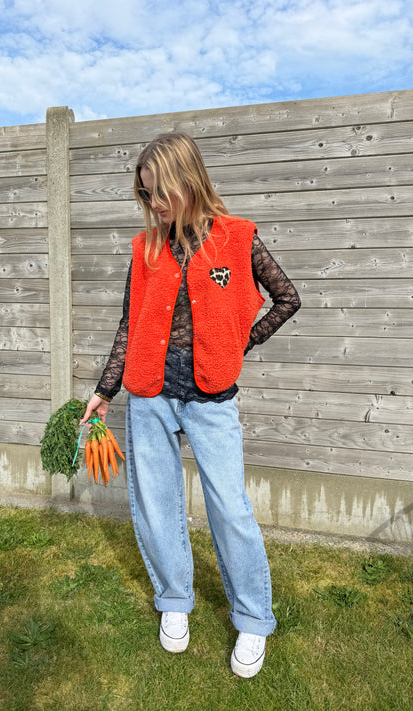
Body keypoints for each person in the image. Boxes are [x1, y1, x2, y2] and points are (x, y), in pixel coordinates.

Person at [81, 131, 301, 678]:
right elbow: (129, 325)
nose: (153, 203)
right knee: (157, 504)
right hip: (149, 394)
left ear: (189, 181)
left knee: (230, 507)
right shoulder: (146, 247)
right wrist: (104, 391)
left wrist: (239, 343)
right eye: (145, 193)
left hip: (211, 397)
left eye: (160, 191)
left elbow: (287, 298)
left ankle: (254, 617)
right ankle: (174, 600)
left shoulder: (238, 237)